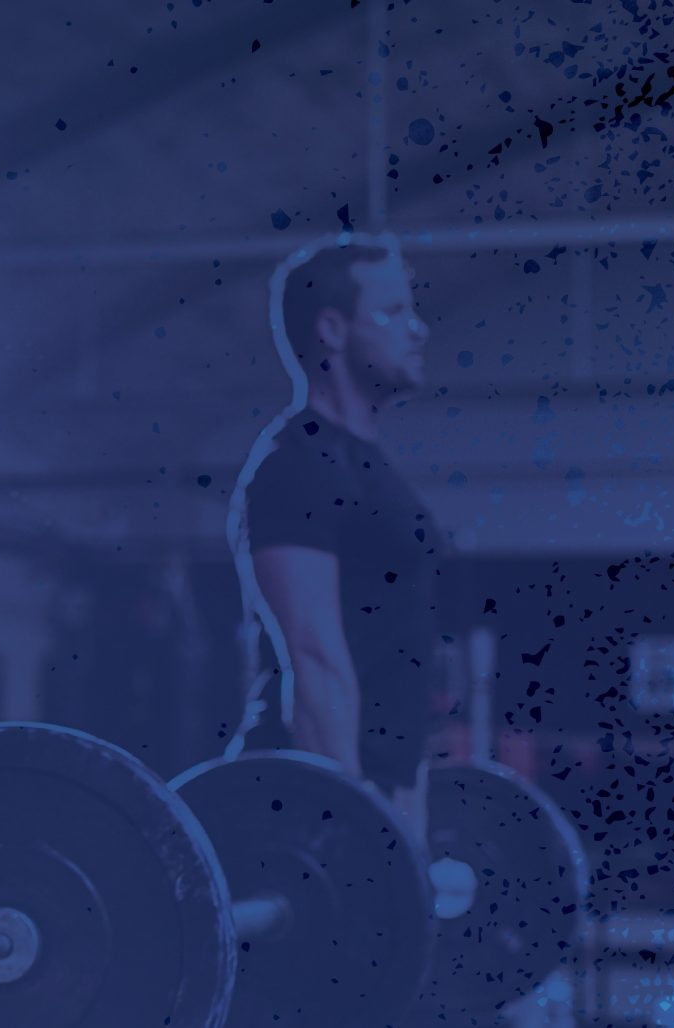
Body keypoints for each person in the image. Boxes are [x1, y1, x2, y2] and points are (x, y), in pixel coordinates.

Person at [222, 238, 449, 843]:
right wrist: (357, 835)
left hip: (375, 787)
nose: (418, 329)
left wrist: (406, 800)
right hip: (306, 810)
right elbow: (315, 659)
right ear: (332, 328)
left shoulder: (365, 467)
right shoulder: (295, 466)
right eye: (393, 311)